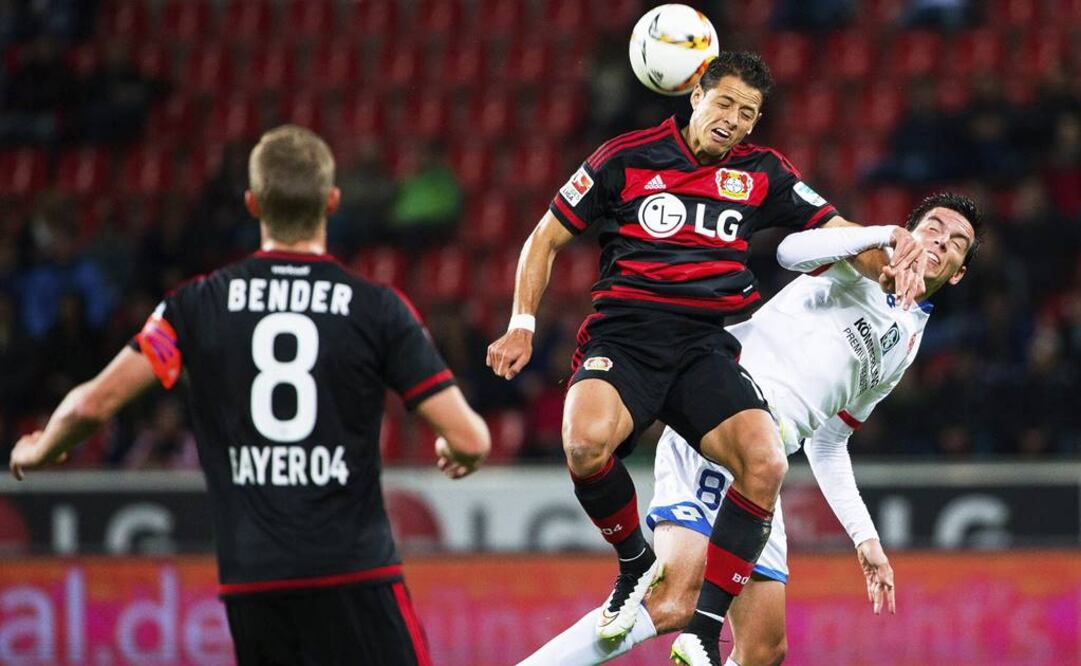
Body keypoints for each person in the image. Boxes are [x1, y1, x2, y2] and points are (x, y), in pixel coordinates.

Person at [486, 51, 926, 666]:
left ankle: (704, 628)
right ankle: (634, 563)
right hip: (626, 338)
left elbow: (832, 225)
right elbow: (546, 237)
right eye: (725, 104)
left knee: (766, 464)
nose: (735, 121)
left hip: (703, 347)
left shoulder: (763, 171)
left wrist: (891, 264)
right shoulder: (626, 156)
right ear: (696, 96)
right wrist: (522, 324)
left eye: (748, 114)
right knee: (585, 445)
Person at [9, 125, 492, 666]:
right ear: (332, 202)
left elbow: (92, 404)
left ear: (252, 203)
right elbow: (470, 436)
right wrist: (460, 450)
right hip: (354, 574)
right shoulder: (377, 309)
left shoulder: (194, 305)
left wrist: (44, 446)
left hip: (254, 585)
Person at [518, 192, 982, 666]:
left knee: (764, 648)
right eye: (933, 227)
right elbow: (788, 252)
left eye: (957, 242)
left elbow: (830, 441)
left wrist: (865, 539)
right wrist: (881, 235)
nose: (940, 242)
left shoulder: (905, 343)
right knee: (676, 598)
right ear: (910, 229)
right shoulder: (862, 262)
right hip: (723, 422)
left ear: (959, 270)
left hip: (762, 473)